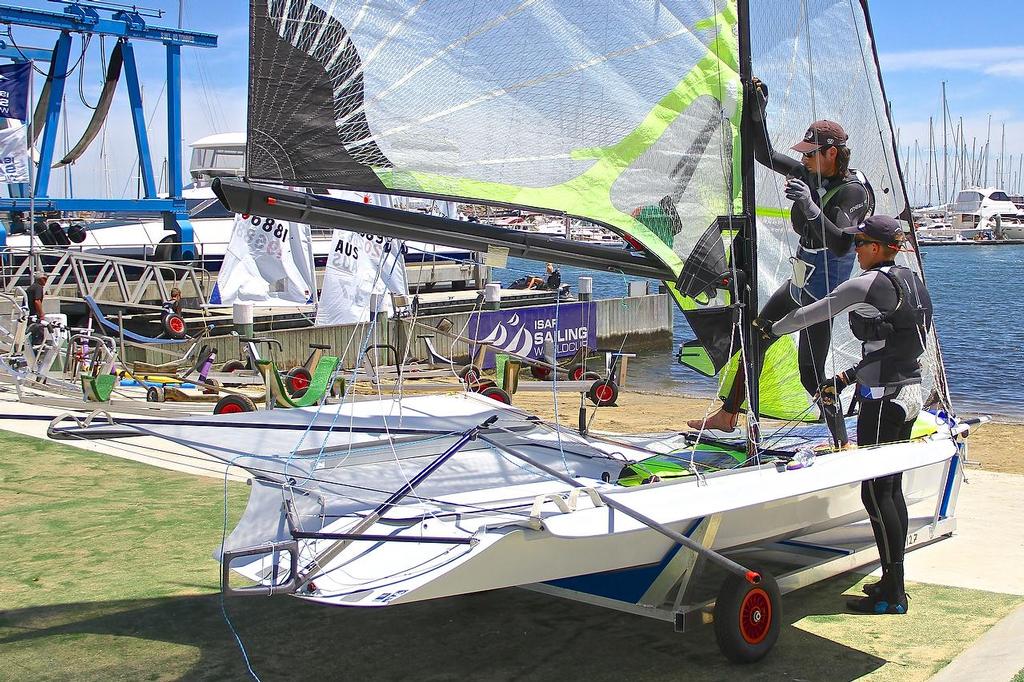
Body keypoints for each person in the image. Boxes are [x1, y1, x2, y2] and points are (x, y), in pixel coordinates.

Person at [687, 78, 873, 447]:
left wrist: (808, 204)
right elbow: (764, 154)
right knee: (754, 338)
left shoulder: (852, 191)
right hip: (799, 285)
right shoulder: (809, 173)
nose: (803, 160)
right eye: (803, 155)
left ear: (832, 153)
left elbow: (839, 244)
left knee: (810, 375)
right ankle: (728, 414)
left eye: (810, 154)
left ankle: (840, 439)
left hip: (824, 298)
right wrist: (758, 111)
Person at [766, 215, 933, 614]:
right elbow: (897, 344)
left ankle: (894, 593)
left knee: (875, 491)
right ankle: (894, 582)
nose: (855, 250)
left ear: (877, 248)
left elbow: (816, 311)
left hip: (883, 399)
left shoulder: (868, 282)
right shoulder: (911, 279)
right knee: (889, 489)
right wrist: (845, 377)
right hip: (909, 393)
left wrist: (768, 329)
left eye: (860, 244)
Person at [26, 274, 47, 346]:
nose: (46, 280)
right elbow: (37, 301)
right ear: (40, 279)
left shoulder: (32, 287)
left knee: (30, 335)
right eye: (44, 278)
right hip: (34, 315)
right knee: (38, 335)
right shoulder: (38, 287)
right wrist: (41, 314)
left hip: (28, 314)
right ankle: (38, 352)